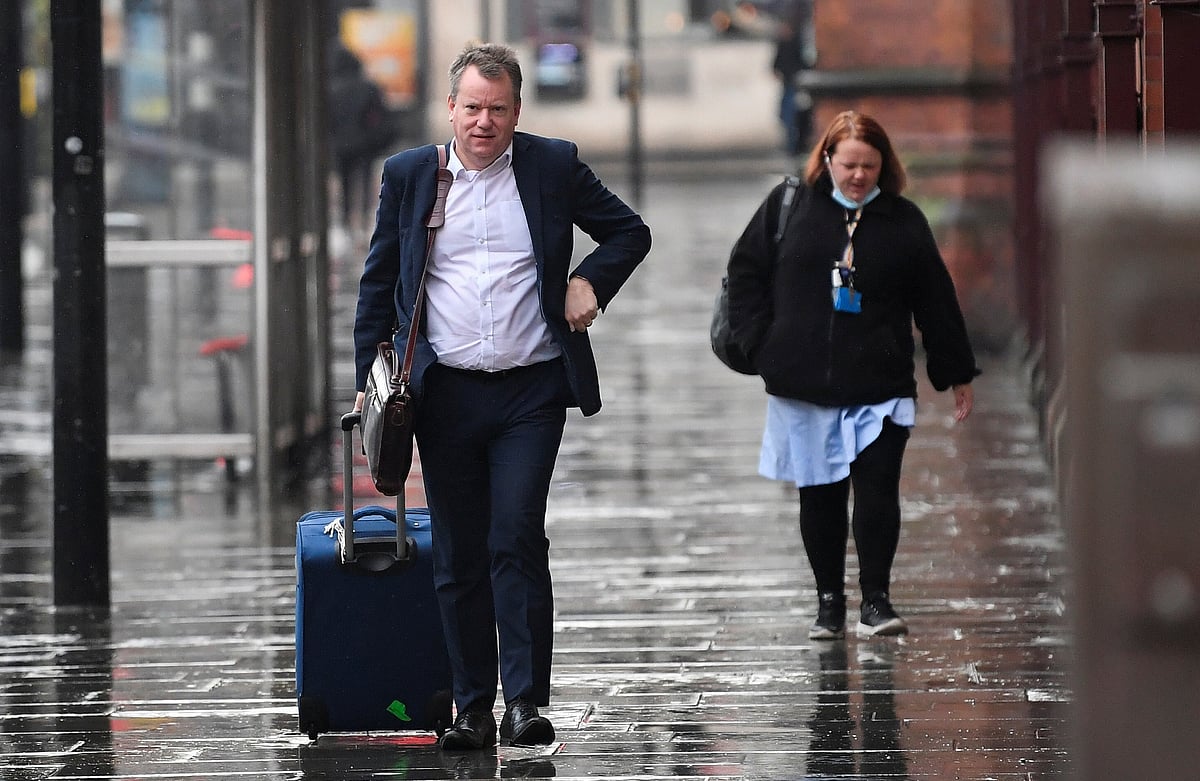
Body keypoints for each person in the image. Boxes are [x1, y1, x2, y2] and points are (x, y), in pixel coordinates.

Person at [353, 43, 651, 750]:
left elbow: (629, 232)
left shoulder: (552, 165)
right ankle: (470, 708)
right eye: (472, 108)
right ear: (450, 108)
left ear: (517, 111)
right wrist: (369, 380)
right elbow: (379, 282)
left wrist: (588, 282)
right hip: (445, 393)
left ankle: (523, 702)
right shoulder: (410, 176)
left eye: (497, 109)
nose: (483, 122)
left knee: (515, 535)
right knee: (458, 551)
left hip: (530, 391)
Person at [724, 110, 979, 640]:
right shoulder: (789, 207)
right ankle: (829, 602)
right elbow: (745, 273)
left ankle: (877, 600)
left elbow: (935, 297)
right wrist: (759, 345)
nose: (859, 175)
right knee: (819, 493)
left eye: (870, 165)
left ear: (885, 165)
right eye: (849, 164)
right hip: (803, 382)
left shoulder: (903, 220)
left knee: (878, 489)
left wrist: (955, 370)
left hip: (880, 383)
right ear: (827, 160)